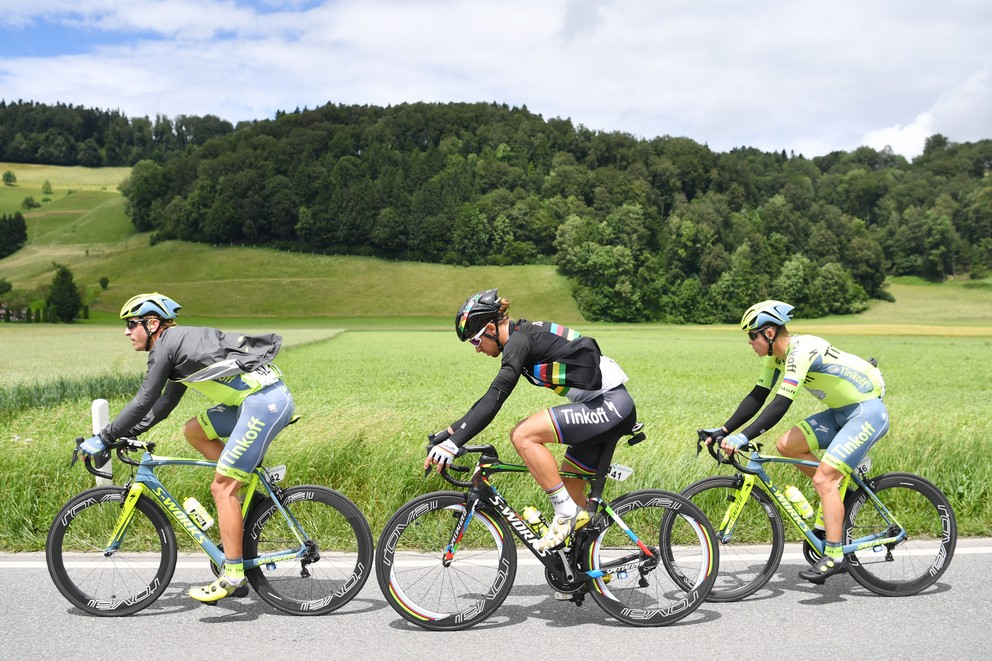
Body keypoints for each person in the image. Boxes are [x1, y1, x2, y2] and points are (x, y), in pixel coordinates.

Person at [76, 293, 295, 602]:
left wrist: (104, 437)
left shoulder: (166, 346)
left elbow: (144, 399)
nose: (127, 332)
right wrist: (123, 435)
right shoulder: (177, 345)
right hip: (258, 401)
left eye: (130, 325)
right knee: (194, 430)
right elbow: (162, 405)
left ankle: (233, 575)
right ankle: (248, 491)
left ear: (152, 324)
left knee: (222, 488)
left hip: (264, 404)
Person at [424, 289, 637, 551]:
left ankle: (566, 513)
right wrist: (448, 434)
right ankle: (580, 575)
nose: (478, 350)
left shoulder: (519, 341)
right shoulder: (520, 338)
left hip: (610, 405)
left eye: (475, 342)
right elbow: (487, 400)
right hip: (601, 407)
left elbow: (495, 398)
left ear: (490, 327)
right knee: (575, 507)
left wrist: (454, 443)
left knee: (523, 434)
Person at [702, 300, 888, 583]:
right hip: (841, 412)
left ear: (770, 332)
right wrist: (723, 430)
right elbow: (758, 395)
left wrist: (744, 436)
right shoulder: (775, 357)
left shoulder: (801, 350)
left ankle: (836, 555)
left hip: (866, 411)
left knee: (824, 480)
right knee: (787, 445)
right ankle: (839, 495)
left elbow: (781, 403)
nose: (749, 342)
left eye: (752, 335)